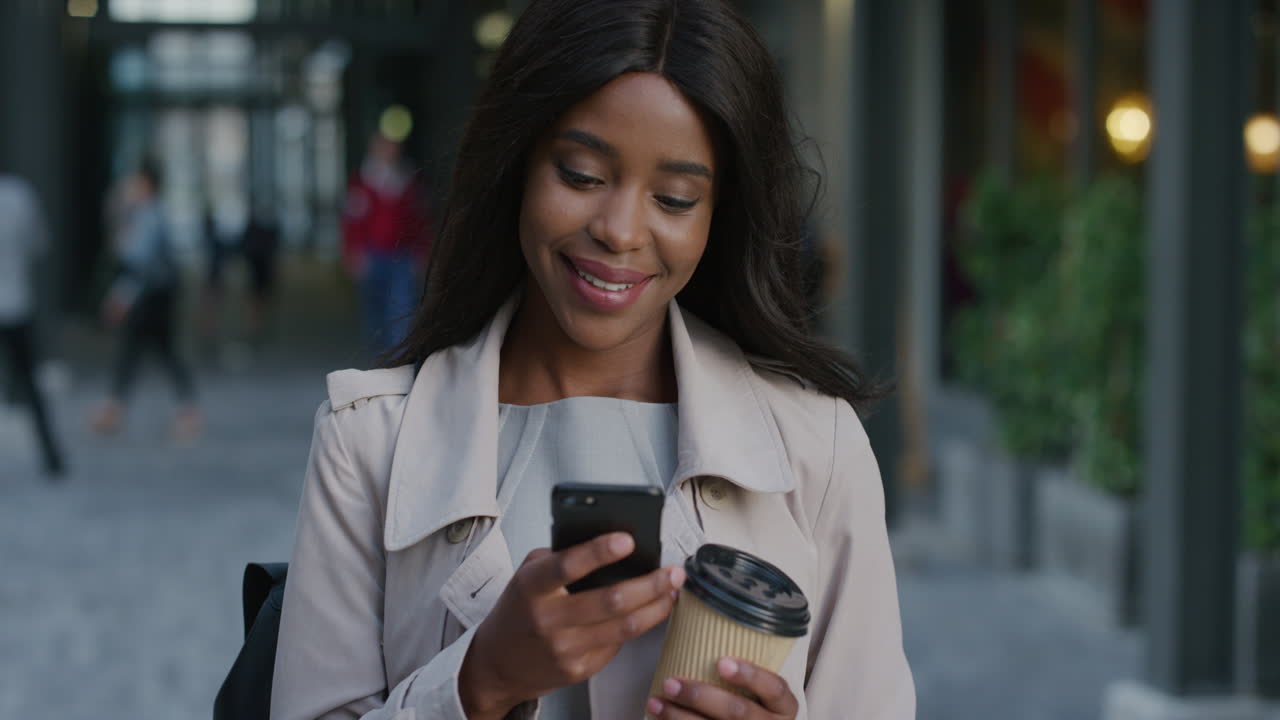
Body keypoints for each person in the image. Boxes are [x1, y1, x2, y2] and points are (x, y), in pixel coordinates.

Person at [272, 1, 915, 718]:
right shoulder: (368, 443)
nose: (619, 230)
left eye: (675, 198)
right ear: (517, 161)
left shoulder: (817, 449)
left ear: (718, 214)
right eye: (580, 175)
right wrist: (479, 682)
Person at [91, 159, 201, 438]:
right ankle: (117, 409)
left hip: (151, 299)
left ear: (147, 184)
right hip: (153, 297)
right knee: (147, 353)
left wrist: (120, 297)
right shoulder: (149, 213)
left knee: (149, 352)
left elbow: (138, 261)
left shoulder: (148, 215)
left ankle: (118, 410)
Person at [342, 131, 432, 357]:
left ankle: (397, 359)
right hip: (372, 255)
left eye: (393, 147)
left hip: (402, 255)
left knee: (401, 310)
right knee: (374, 310)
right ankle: (379, 357)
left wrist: (422, 252)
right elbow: (352, 220)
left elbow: (419, 220)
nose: (389, 152)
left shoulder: (407, 179)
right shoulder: (362, 181)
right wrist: (353, 252)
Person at [0, 171, 65, 477]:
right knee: (30, 383)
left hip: (14, 303)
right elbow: (38, 245)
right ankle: (52, 456)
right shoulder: (19, 196)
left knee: (29, 381)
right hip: (15, 302)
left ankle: (52, 457)